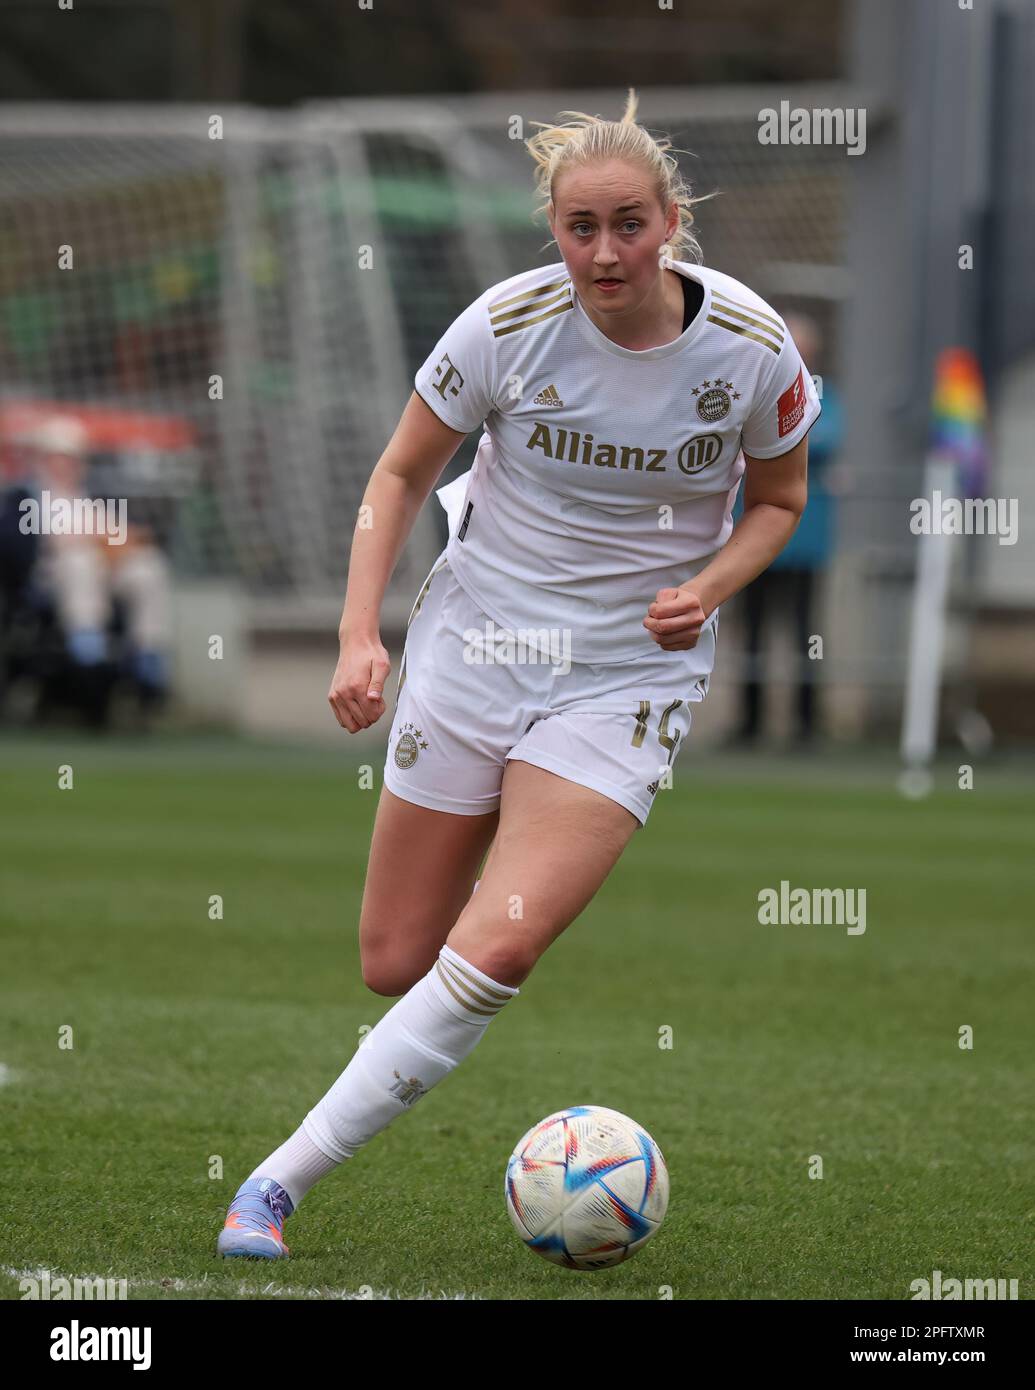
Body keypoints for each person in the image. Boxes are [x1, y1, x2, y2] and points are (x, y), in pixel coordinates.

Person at [217, 88, 821, 1259]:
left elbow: (783, 500)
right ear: (553, 227)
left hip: (623, 677)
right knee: (396, 960)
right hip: (478, 642)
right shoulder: (503, 324)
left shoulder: (749, 350)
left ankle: (272, 1187)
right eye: (581, 227)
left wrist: (711, 586)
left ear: (672, 220)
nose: (606, 252)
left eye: (630, 224)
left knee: (497, 946)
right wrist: (359, 633)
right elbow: (398, 476)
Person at [733, 312, 843, 744]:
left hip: (807, 542)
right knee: (753, 629)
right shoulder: (757, 389)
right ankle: (751, 722)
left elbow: (821, 436)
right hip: (754, 540)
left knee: (804, 631)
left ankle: (805, 723)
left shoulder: (823, 395)